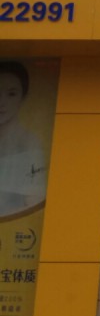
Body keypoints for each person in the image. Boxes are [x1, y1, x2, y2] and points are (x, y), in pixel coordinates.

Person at [0, 62, 47, 218]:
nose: (2, 102)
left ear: (23, 97)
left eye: (11, 94)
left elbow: (34, 199)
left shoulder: (29, 143)